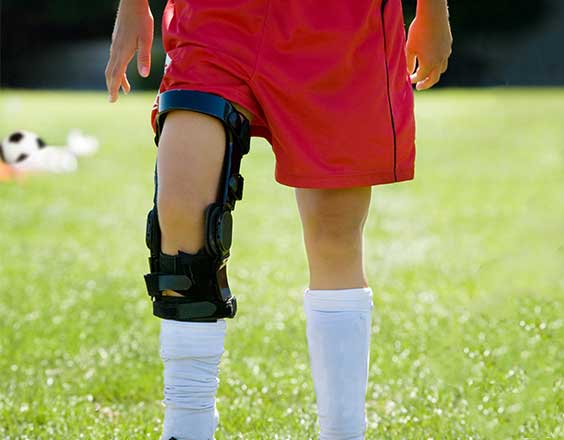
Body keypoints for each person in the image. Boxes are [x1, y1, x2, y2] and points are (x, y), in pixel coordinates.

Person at [105, 0, 451, 438]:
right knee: (180, 220)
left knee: (334, 239)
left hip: (339, 22)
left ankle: (343, 432)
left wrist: (433, 11)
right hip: (217, 18)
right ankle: (186, 425)